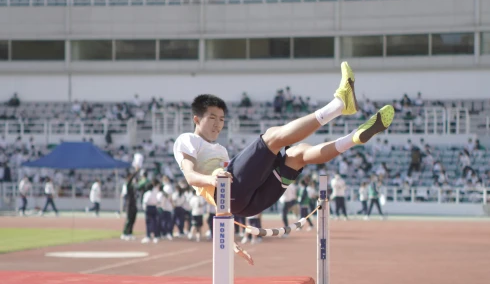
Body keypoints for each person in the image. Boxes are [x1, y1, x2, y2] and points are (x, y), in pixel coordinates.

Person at [173, 62, 394, 222]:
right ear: (196, 119)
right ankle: (338, 105)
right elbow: (191, 176)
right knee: (272, 137)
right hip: (229, 194)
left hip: (245, 204)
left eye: (221, 119)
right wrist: (212, 179)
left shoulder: (219, 149)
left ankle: (353, 138)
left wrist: (227, 236)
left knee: (297, 156)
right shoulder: (187, 139)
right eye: (212, 118)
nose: (218, 124)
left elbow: (225, 200)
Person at [121, 165, 140, 239]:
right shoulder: (127, 184)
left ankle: (130, 233)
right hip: (129, 204)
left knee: (133, 218)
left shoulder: (132, 185)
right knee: (129, 219)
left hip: (133, 203)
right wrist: (136, 171)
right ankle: (125, 233)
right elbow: (131, 179)